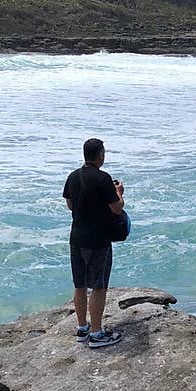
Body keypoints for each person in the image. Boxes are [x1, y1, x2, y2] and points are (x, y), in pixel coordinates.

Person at [62, 138, 125, 348]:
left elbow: (70, 205)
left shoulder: (73, 176)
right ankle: (97, 334)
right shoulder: (103, 178)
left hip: (76, 238)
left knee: (79, 285)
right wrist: (118, 193)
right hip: (98, 240)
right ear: (100, 155)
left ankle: (82, 329)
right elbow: (117, 208)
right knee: (99, 287)